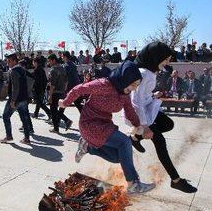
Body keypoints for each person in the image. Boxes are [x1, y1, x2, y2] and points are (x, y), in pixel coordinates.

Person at [61, 61, 155, 194]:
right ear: (124, 78)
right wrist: (65, 102)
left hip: (105, 125)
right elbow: (79, 89)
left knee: (119, 157)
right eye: (133, 84)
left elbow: (130, 112)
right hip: (90, 124)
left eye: (136, 86)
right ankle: (134, 184)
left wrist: (140, 126)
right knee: (125, 141)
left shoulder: (124, 94)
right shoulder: (104, 84)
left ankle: (88, 147)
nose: (134, 88)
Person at [128, 42, 197, 193]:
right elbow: (135, 101)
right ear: (155, 57)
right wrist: (144, 127)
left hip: (147, 108)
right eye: (165, 60)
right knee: (160, 141)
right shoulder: (144, 73)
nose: (166, 63)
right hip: (141, 114)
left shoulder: (149, 71)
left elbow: (142, 95)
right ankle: (176, 180)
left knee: (168, 123)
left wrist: (153, 95)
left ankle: (134, 138)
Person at [0, 53, 32, 144]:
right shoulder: (22, 69)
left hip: (16, 98)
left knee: (5, 116)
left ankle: (9, 136)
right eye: (7, 61)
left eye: (9, 61)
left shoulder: (14, 71)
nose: (8, 63)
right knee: (24, 118)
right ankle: (27, 138)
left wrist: (13, 100)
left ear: (14, 61)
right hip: (23, 98)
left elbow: (15, 88)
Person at [47, 54, 72, 133]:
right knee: (58, 110)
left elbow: (52, 85)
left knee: (53, 110)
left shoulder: (53, 70)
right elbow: (66, 81)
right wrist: (64, 90)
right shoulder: (63, 68)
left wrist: (50, 96)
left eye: (50, 61)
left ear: (53, 60)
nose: (49, 63)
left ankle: (56, 128)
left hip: (55, 92)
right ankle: (66, 121)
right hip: (62, 92)